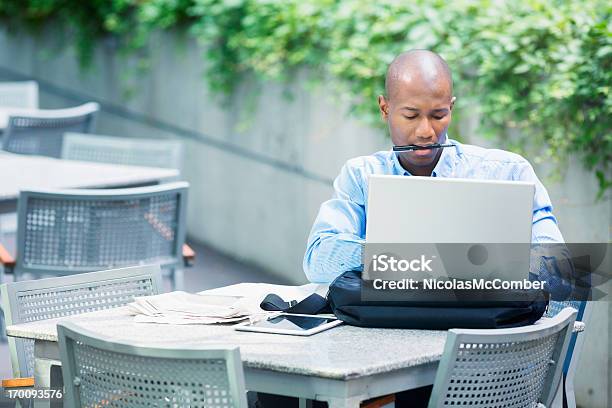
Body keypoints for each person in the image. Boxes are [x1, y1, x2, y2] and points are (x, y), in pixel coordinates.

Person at [304, 49, 564, 285]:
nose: (426, 131)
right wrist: (415, 256)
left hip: (483, 329)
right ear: (385, 108)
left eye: (439, 115)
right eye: (410, 116)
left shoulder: (510, 172)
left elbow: (557, 269)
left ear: (451, 108)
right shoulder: (361, 176)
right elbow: (317, 261)